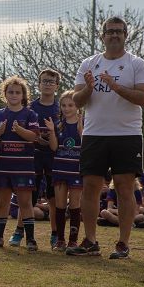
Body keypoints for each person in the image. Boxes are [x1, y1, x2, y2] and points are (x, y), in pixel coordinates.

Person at [65, 15, 144, 259]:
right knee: (90, 187)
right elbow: (77, 101)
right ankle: (90, 241)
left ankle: (123, 243)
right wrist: (89, 88)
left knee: (125, 188)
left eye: (119, 31)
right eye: (110, 31)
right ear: (102, 36)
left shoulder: (137, 64)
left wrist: (116, 87)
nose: (114, 35)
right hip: (95, 134)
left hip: (127, 134)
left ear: (126, 35)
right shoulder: (88, 63)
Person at [0, 76, 40, 250]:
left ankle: (30, 240)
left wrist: (20, 130)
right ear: (5, 94)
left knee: (25, 202)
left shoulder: (30, 114)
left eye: (18, 92)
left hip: (23, 167)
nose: (14, 95)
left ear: (23, 95)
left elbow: (34, 136)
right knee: (2, 202)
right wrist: (0, 131)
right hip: (3, 166)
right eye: (10, 92)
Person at [26, 69, 61, 247]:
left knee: (54, 198)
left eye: (51, 81)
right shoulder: (30, 107)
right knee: (28, 197)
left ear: (57, 86)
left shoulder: (61, 107)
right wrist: (36, 137)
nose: (47, 84)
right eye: (44, 81)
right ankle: (23, 234)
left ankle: (55, 234)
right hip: (34, 156)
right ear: (39, 84)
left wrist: (52, 137)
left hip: (54, 157)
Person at [51, 90, 84, 251]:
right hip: (59, 169)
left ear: (77, 106)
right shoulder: (58, 124)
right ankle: (60, 240)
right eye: (63, 105)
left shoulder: (83, 123)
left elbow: (88, 146)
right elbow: (54, 147)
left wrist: (81, 132)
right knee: (60, 205)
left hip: (76, 171)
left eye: (70, 105)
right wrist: (51, 131)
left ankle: (73, 241)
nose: (66, 108)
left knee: (75, 205)